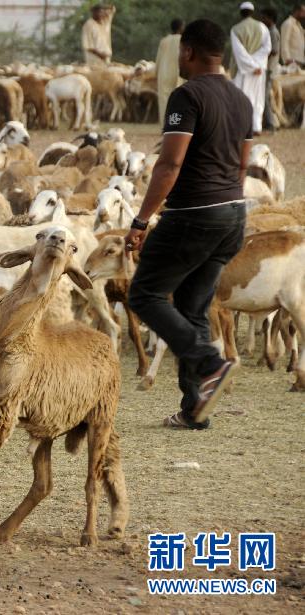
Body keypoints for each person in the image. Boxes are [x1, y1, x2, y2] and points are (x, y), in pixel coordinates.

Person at [125, 19, 250, 431]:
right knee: (193, 306)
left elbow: (170, 163)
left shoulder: (187, 95)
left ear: (190, 52)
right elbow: (243, 165)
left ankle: (210, 363)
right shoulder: (241, 99)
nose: (178, 58)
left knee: (144, 294)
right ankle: (194, 407)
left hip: (194, 215)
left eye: (180, 51)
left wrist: (141, 219)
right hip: (233, 214)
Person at [230, 1, 271, 135]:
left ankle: (243, 128)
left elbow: (239, 52)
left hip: (243, 71)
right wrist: (257, 65)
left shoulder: (235, 29)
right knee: (258, 97)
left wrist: (251, 65)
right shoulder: (262, 27)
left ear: (241, 13)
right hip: (258, 70)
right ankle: (256, 127)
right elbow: (267, 48)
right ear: (252, 12)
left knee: (241, 99)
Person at [156, 19, 184, 124]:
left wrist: (156, 72)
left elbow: (158, 59)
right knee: (178, 100)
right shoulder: (183, 40)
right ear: (180, 27)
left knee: (164, 100)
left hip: (164, 74)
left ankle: (165, 126)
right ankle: (176, 125)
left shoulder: (164, 41)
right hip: (178, 74)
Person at [261, 8, 280, 133]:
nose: (262, 20)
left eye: (263, 17)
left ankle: (270, 124)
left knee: (265, 96)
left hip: (269, 69)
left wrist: (259, 58)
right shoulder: (270, 31)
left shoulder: (273, 32)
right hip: (269, 69)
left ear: (269, 18)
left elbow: (273, 51)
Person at [81, 3, 116, 67]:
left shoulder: (105, 22)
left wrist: (106, 7)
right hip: (94, 60)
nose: (102, 14)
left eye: (103, 12)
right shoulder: (88, 25)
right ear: (94, 12)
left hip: (106, 59)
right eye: (99, 12)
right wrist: (100, 55)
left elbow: (112, 10)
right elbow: (88, 46)